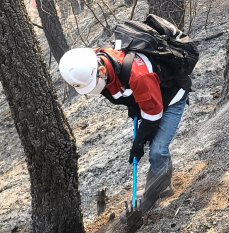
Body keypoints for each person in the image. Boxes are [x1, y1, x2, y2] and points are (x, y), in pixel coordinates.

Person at [59, 45, 189, 214]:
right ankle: (162, 186)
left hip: (171, 97)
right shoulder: (90, 61)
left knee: (157, 149)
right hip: (151, 96)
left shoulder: (139, 76)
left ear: (101, 70)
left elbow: (153, 116)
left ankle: (153, 194)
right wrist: (134, 104)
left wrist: (138, 143)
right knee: (155, 144)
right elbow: (119, 89)